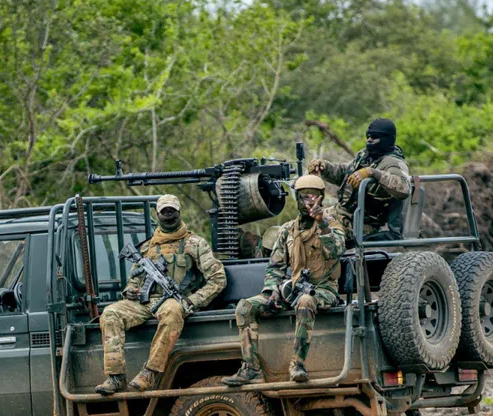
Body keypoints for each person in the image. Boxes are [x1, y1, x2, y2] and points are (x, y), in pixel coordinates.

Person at [95, 194, 227, 394]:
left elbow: (218, 279)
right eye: (164, 211)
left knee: (173, 311)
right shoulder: (148, 247)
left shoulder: (194, 243)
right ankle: (115, 377)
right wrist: (130, 291)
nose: (168, 215)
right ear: (157, 215)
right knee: (110, 313)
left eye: (172, 211)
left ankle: (150, 372)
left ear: (179, 212)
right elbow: (134, 279)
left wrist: (192, 300)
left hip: (172, 301)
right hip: (144, 302)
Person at [222, 175, 346, 385]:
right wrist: (272, 290)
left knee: (305, 302)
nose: (309, 201)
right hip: (294, 289)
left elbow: (336, 250)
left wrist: (322, 223)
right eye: (304, 196)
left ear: (321, 198)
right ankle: (251, 368)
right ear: (297, 198)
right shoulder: (287, 230)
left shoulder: (332, 226)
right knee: (245, 307)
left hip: (323, 290)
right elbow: (275, 266)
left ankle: (297, 364)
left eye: (314, 196)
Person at [308, 118, 410, 245]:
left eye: (374, 137)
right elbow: (344, 173)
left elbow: (404, 187)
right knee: (298, 227)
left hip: (361, 225)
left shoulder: (394, 162)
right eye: (368, 136)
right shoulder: (366, 156)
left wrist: (372, 173)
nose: (369, 140)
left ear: (386, 139)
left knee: (312, 238)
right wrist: (324, 167)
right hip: (340, 213)